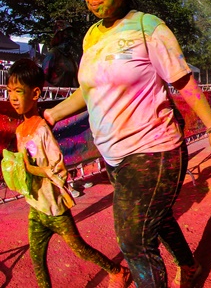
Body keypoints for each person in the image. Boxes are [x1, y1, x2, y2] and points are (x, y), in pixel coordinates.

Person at [44, 0, 211, 288]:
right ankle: (190, 266)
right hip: (114, 154)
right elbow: (89, 89)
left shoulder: (148, 27)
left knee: (133, 240)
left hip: (154, 148)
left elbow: (182, 79)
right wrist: (52, 114)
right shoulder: (92, 37)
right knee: (156, 219)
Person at [8, 58, 130, 288]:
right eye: (9, 91)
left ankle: (118, 270)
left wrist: (30, 168)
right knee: (37, 260)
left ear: (35, 94)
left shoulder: (42, 130)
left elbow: (59, 170)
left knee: (80, 249)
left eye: (18, 92)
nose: (12, 97)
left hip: (55, 210)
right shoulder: (21, 129)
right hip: (36, 207)